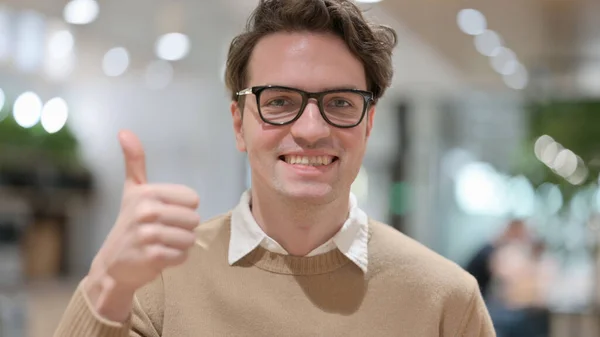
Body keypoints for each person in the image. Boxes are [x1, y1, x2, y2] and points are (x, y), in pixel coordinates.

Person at [54, 0, 495, 336]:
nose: (310, 128)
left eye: (340, 103)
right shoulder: (158, 285)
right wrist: (107, 284)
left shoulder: (445, 300)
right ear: (238, 125)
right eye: (280, 101)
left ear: (369, 124)